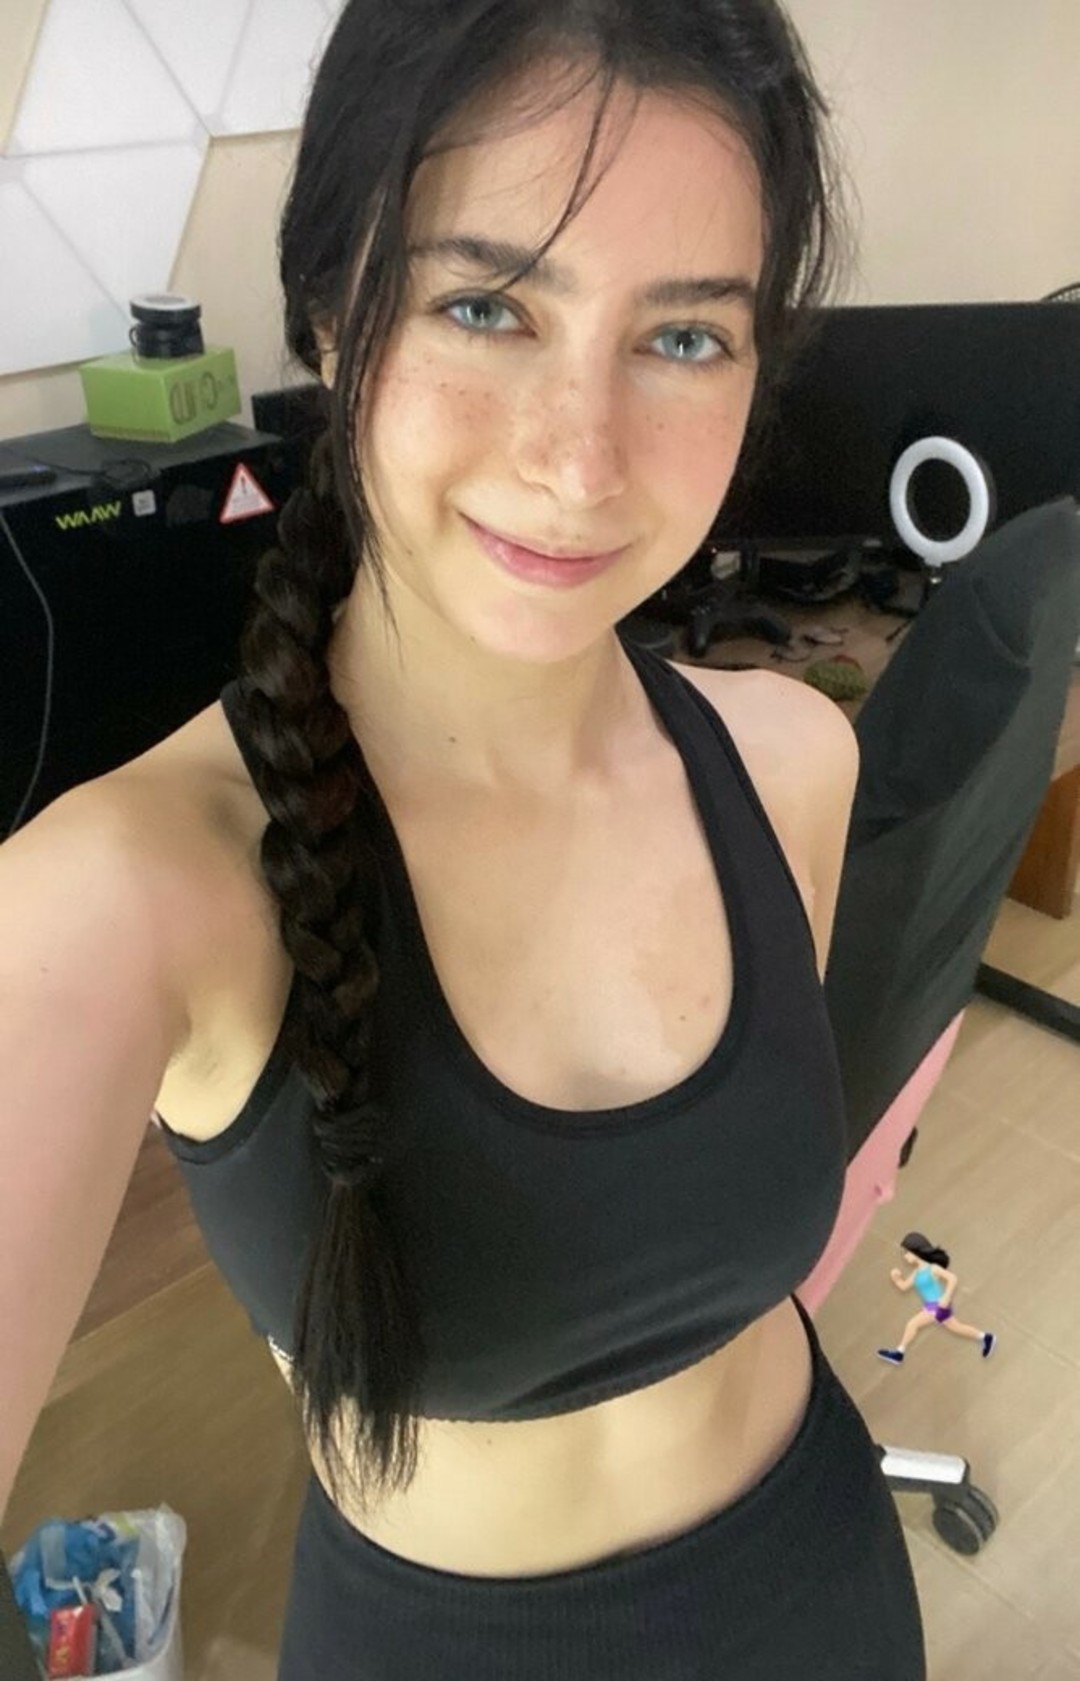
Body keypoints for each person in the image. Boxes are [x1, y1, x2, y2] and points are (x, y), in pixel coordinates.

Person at [0, 1, 927, 1675]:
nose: (579, 461)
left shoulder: (793, 758)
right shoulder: (129, 891)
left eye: (686, 336)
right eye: (487, 305)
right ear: (329, 313)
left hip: (831, 1592)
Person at [878, 1233, 997, 1365]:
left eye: (907, 1252)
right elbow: (904, 1286)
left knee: (913, 1324)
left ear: (915, 1251)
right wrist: (896, 1278)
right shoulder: (917, 1272)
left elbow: (952, 1278)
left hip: (938, 1306)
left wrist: (946, 1297)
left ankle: (899, 1353)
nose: (905, 1256)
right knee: (956, 1327)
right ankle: (986, 1337)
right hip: (930, 1306)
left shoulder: (932, 1268)